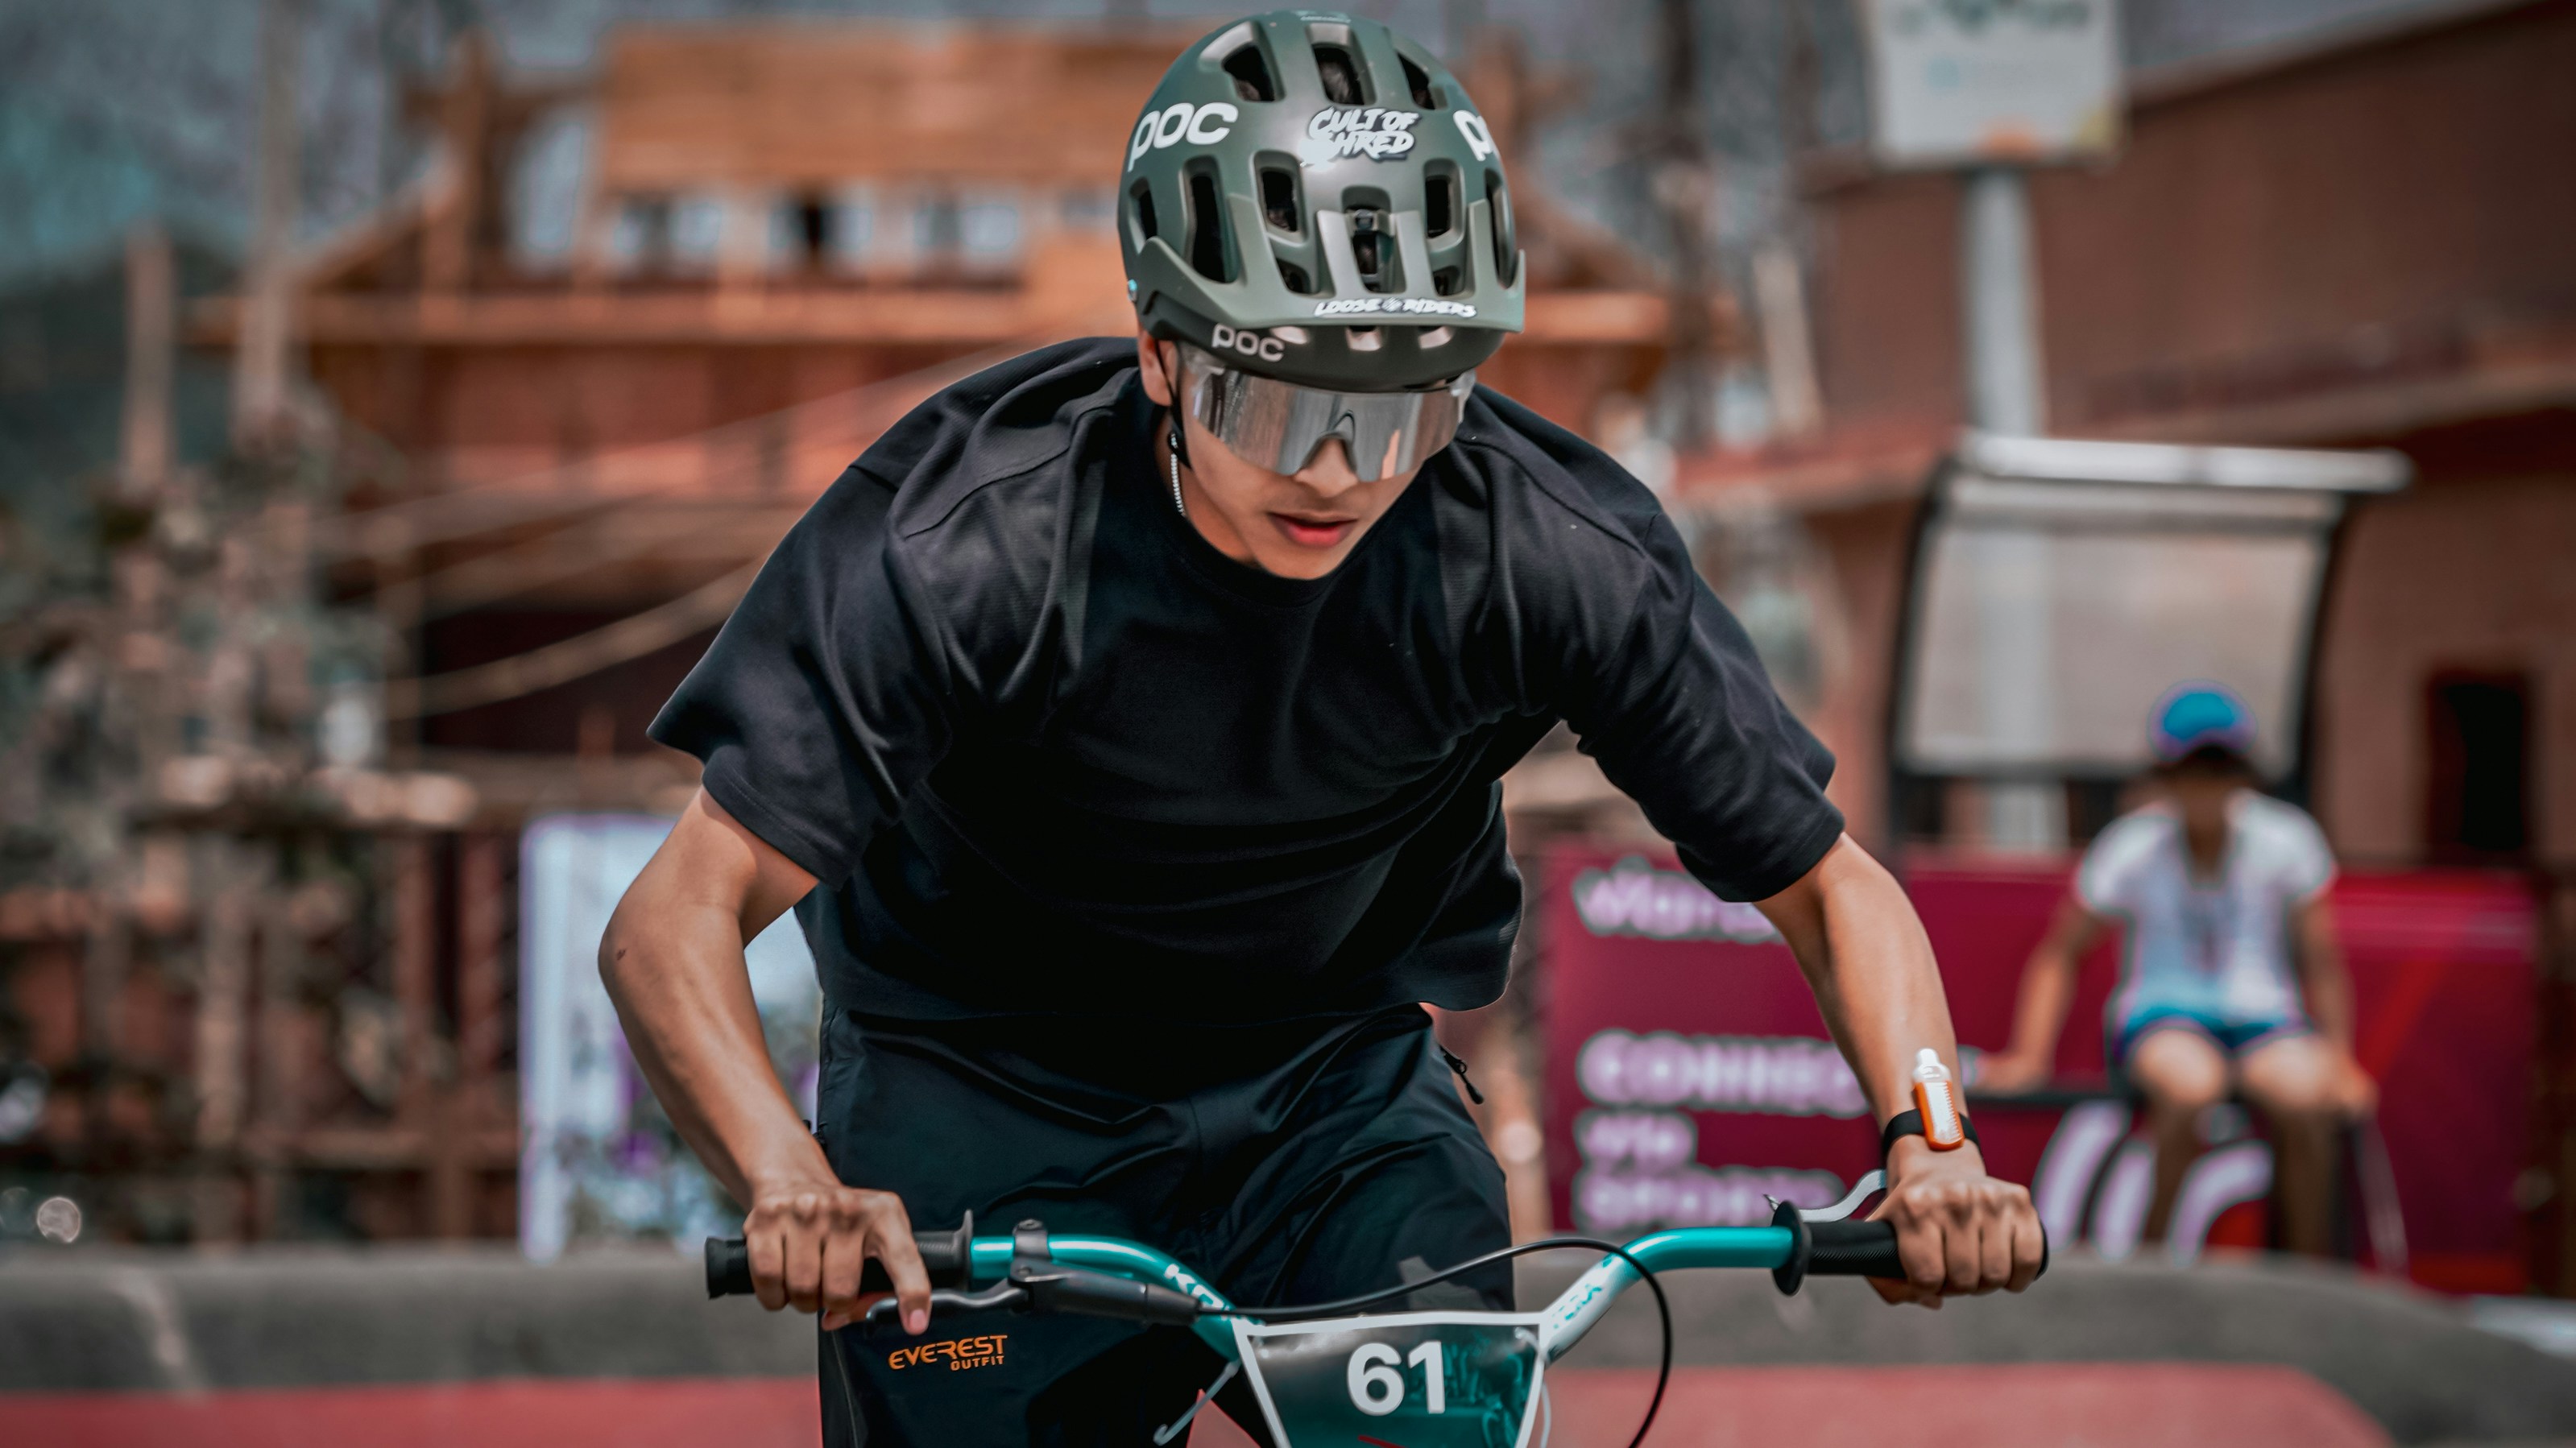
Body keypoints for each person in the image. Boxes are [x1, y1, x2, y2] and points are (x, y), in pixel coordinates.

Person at [599, 13, 2042, 1444]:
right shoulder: (970, 541)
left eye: (1403, 408)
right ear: (1161, 354)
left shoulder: (1544, 550)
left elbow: (1828, 883)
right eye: (1279, 406)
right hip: (980, 1092)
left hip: (1327, 1095)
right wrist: (785, 1173)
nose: (1343, 475)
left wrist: (1930, 1144)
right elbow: (676, 915)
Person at [1980, 684, 2377, 1255]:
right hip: (2162, 1014)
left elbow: (2322, 960)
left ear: (2245, 772)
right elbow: (2061, 953)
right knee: (2191, 1086)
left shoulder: (2287, 839)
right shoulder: (2131, 845)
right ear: (2165, 774)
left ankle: (2303, 1276)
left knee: (2306, 1095)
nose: (2206, 783)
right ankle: (2160, 1259)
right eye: (2193, 767)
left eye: (2220, 766)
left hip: (2266, 1018)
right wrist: (2030, 1057)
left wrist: (2341, 1060)